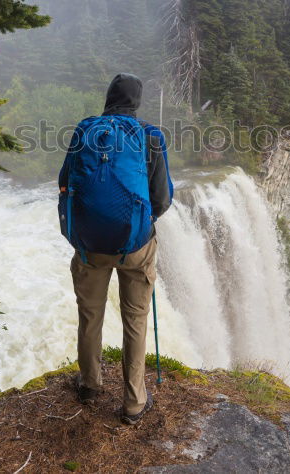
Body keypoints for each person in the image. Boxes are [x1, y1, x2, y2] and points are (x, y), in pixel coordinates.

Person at [58, 73, 172, 425]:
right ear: (136, 103)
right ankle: (134, 402)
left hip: (90, 245)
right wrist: (142, 219)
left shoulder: (84, 131)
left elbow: (64, 183)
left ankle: (90, 385)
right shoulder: (150, 136)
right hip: (135, 245)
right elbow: (162, 198)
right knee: (135, 319)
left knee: (90, 316)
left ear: (108, 98)